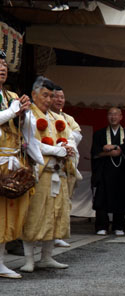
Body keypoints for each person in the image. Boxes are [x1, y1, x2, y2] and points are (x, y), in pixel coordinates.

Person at [21, 76, 75, 272]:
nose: (49, 99)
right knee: (34, 215)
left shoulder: (58, 118)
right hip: (39, 172)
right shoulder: (28, 116)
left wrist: (67, 148)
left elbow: (70, 138)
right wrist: (55, 151)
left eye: (51, 96)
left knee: (56, 215)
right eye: (45, 95)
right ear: (34, 95)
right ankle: (29, 259)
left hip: (57, 172)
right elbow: (29, 143)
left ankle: (47, 257)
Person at [0, 51, 44, 278]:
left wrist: (25, 114)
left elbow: (27, 130)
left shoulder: (11, 95)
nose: (2, 67)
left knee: (8, 215)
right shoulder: (10, 103)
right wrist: (12, 111)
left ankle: (1, 261)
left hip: (11, 161)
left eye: (4, 64)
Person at [91, 107, 125, 236]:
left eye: (116, 115)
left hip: (121, 172)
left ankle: (119, 225)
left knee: (120, 197)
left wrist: (117, 149)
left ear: (121, 117)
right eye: (110, 114)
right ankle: (101, 226)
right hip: (104, 171)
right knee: (102, 199)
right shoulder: (99, 133)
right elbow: (94, 153)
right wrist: (107, 151)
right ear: (107, 117)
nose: (113, 117)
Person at [50, 84, 83, 247]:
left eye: (62, 97)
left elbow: (77, 136)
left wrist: (66, 140)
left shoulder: (68, 119)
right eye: (56, 96)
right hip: (49, 163)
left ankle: (58, 234)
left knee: (64, 201)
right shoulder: (44, 116)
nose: (59, 100)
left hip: (65, 165)